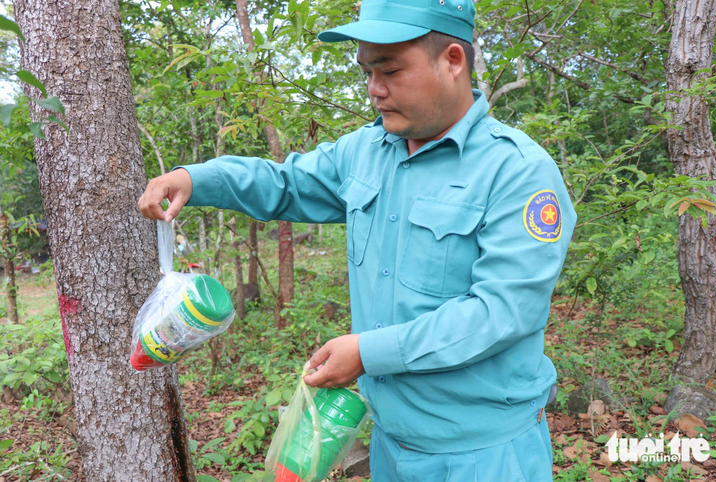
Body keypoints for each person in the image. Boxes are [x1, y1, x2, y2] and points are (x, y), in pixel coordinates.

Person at [138, 0, 576, 479]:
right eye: (366, 71)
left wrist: (368, 354)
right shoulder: (367, 151)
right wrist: (197, 179)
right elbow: (285, 184)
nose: (375, 90)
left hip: (484, 454)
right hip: (391, 443)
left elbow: (503, 312)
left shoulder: (517, 172)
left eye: (390, 70)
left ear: (453, 60)